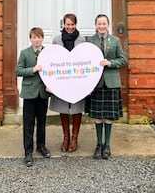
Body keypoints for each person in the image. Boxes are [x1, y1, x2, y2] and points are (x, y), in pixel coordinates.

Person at [87, 14, 126, 160]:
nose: (101, 26)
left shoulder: (115, 40)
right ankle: (98, 145)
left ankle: (107, 145)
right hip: (96, 83)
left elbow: (122, 60)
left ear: (108, 25)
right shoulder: (90, 41)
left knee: (109, 117)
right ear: (95, 25)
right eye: (99, 24)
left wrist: (109, 63)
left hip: (111, 82)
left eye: (104, 23)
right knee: (97, 116)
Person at [49, 13, 86, 152]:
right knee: (63, 108)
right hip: (62, 79)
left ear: (76, 24)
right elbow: (51, 60)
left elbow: (85, 60)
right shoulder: (56, 40)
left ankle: (75, 138)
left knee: (77, 108)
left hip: (77, 80)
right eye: (67, 24)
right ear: (63, 24)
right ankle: (66, 137)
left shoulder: (82, 40)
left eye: (72, 24)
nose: (70, 27)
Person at [16, 27, 51, 167]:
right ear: (30, 39)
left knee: (42, 122)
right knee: (28, 124)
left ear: (42, 38)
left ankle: (41, 147)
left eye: (39, 37)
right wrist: (33, 69)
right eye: (34, 37)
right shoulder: (25, 53)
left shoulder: (48, 53)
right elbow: (18, 71)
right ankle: (28, 152)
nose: (37, 40)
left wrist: (51, 84)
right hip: (30, 93)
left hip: (43, 92)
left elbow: (52, 71)